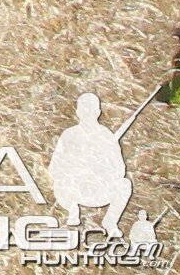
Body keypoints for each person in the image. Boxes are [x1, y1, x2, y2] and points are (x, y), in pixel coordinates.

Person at [48, 93, 133, 235]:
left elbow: (119, 170)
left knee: (124, 185)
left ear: (98, 112)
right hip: (74, 190)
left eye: (91, 109)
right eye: (83, 109)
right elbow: (54, 168)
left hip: (98, 190)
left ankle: (110, 222)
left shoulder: (106, 136)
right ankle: (72, 210)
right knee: (60, 183)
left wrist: (100, 169)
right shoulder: (69, 135)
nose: (87, 113)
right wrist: (75, 168)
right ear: (77, 112)